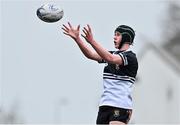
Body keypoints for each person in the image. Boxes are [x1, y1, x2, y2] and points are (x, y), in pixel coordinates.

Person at [62, 22, 138, 125]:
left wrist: (92, 41)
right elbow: (91, 55)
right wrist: (77, 39)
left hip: (120, 106)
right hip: (104, 106)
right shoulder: (112, 54)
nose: (114, 37)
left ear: (126, 37)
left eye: (118, 35)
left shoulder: (130, 57)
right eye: (114, 34)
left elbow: (110, 58)